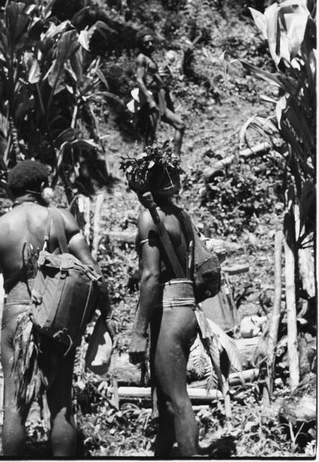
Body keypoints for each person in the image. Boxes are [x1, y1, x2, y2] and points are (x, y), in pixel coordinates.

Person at [0, 160, 115, 457]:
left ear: (12, 191)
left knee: (14, 406)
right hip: (56, 317)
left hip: (16, 315)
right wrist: (105, 315)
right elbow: (93, 272)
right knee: (61, 405)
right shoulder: (60, 217)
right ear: (42, 189)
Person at [123, 145, 199, 457]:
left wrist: (138, 333)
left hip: (169, 313)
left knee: (178, 400)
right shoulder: (180, 215)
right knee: (167, 400)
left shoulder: (149, 219)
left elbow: (151, 277)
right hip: (185, 309)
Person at [134, 29, 186, 155]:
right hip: (150, 100)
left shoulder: (149, 59)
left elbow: (153, 78)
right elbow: (139, 80)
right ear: (141, 44)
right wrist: (150, 101)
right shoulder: (141, 58)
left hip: (159, 99)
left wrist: (161, 77)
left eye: (152, 42)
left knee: (180, 125)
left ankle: (175, 157)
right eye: (147, 43)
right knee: (150, 137)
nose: (150, 45)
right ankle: (145, 166)